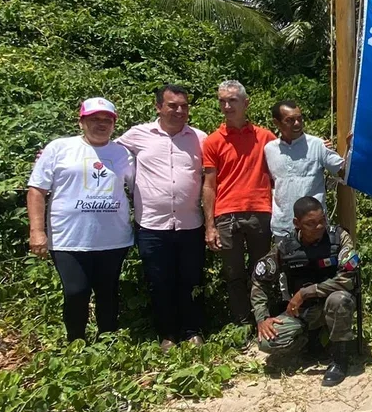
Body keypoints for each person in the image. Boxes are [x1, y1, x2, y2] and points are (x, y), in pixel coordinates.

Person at [27, 98, 135, 342]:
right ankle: (76, 342)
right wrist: (37, 231)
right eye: (94, 119)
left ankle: (107, 341)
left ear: (114, 123)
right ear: (81, 121)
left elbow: (140, 187)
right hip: (68, 239)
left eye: (107, 120)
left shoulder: (123, 154)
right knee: (76, 292)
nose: (101, 124)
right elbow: (36, 190)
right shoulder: (59, 148)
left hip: (113, 239)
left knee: (108, 292)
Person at [117, 85, 207, 351]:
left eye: (184, 106)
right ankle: (168, 335)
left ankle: (193, 331)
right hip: (152, 226)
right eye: (172, 105)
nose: (179, 111)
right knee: (159, 282)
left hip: (191, 224)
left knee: (191, 280)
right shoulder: (137, 135)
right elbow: (104, 153)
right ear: (158, 107)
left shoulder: (199, 138)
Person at [250, 196, 359, 386]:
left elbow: (348, 279)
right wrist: (262, 318)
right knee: (267, 342)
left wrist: (307, 292)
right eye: (311, 224)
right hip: (303, 312)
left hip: (334, 305)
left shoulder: (339, 237)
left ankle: (340, 358)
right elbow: (260, 281)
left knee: (338, 299)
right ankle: (310, 343)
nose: (319, 227)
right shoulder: (285, 247)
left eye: (322, 221)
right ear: (296, 223)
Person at [202, 80, 277, 324]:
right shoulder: (213, 141)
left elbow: (285, 167)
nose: (226, 106)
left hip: (261, 211)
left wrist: (320, 146)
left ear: (246, 103)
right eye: (222, 101)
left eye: (232, 100)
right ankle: (242, 323)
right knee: (233, 274)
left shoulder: (265, 137)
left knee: (263, 270)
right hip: (226, 215)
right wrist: (210, 225)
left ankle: (264, 320)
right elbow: (209, 185)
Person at [265, 100, 346, 242]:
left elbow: (343, 171)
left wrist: (353, 148)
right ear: (276, 123)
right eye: (290, 120)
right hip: (283, 227)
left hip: (315, 228)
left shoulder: (317, 145)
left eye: (299, 119)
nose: (297, 123)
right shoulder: (269, 149)